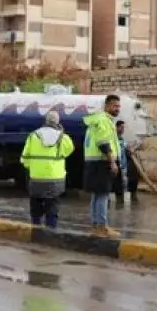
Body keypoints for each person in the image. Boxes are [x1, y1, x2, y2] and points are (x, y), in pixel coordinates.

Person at [20, 110, 74, 229]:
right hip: (55, 178)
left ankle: (35, 228)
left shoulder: (33, 135)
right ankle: (50, 230)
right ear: (58, 121)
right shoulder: (63, 137)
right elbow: (69, 149)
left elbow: (24, 158)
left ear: (45, 120)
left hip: (36, 177)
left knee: (36, 204)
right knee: (52, 205)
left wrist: (32, 167)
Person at [83, 94, 122, 237]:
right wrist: (112, 162)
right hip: (101, 162)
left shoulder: (96, 120)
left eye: (119, 106)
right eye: (115, 106)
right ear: (107, 106)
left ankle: (95, 225)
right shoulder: (103, 120)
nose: (118, 109)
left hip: (94, 162)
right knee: (103, 195)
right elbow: (103, 144)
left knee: (97, 194)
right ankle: (102, 226)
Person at [112, 120, 141, 206]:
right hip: (118, 164)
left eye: (123, 128)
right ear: (116, 127)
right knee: (118, 186)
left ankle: (128, 199)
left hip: (124, 166)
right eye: (121, 127)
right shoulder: (114, 139)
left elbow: (126, 148)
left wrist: (132, 150)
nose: (122, 129)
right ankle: (119, 202)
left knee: (129, 180)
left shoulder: (122, 139)